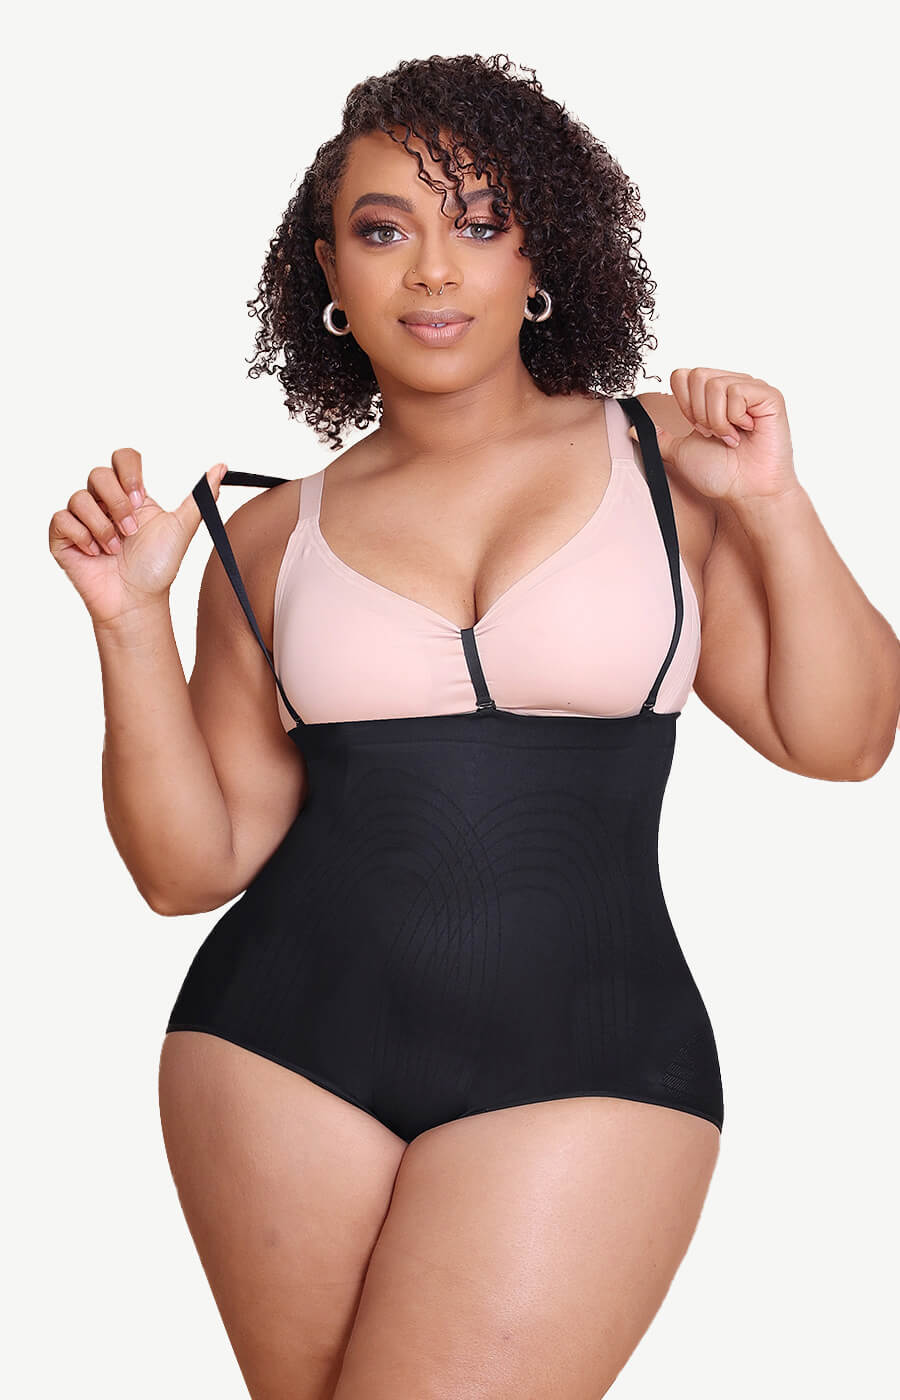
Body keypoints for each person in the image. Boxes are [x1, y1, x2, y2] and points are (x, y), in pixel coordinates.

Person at [48, 51, 900, 1400]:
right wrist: (127, 622)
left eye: (481, 224)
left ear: (539, 253)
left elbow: (843, 741)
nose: (434, 272)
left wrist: (777, 505)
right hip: (274, 1053)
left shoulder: (670, 466)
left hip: (594, 1054)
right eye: (384, 232)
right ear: (329, 275)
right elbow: (187, 870)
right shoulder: (267, 536)